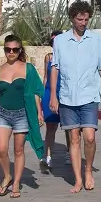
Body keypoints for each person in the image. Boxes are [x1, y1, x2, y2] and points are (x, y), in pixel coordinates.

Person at [49, 0, 101, 193]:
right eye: (80, 19)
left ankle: (88, 170)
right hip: (68, 96)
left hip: (89, 96)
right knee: (74, 138)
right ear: (72, 18)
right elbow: (55, 68)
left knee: (89, 137)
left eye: (86, 19)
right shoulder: (60, 41)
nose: (83, 23)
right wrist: (53, 95)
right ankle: (78, 179)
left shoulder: (96, 40)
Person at [0, 34, 45, 198]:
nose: (11, 52)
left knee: (18, 149)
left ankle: (16, 184)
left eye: (14, 49)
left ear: (20, 50)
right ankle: (7, 176)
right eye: (8, 49)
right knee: (1, 149)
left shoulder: (28, 69)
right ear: (4, 50)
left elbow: (35, 92)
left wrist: (39, 112)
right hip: (2, 113)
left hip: (22, 113)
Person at [40, 29, 65, 173]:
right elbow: (45, 77)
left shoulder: (67, 57)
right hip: (50, 93)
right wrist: (43, 95)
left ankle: (69, 153)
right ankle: (47, 156)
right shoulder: (48, 58)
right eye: (52, 42)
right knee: (51, 127)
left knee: (69, 128)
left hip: (65, 93)